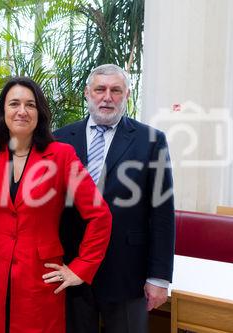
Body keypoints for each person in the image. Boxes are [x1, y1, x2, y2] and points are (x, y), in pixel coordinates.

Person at [0, 77, 112, 333]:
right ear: (3, 112)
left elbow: (100, 215)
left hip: (40, 280)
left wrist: (80, 268)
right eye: (14, 104)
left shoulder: (61, 155)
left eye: (30, 105)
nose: (22, 111)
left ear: (39, 112)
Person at [54, 64, 175, 333]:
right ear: (87, 93)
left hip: (127, 271)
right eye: (100, 89)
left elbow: (163, 213)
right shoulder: (60, 139)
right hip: (72, 269)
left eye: (115, 90)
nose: (107, 97)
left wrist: (159, 278)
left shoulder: (151, 140)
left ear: (127, 95)